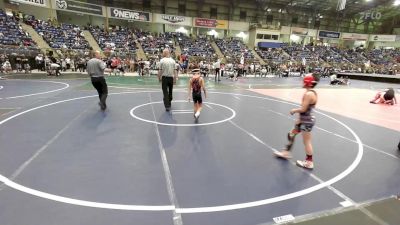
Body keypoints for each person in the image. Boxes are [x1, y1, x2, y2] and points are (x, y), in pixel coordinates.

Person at [275, 73, 320, 169]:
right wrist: (299, 120)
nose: (302, 81)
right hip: (304, 120)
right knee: (291, 134)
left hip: (306, 122)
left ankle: (309, 162)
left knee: (306, 141)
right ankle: (286, 152)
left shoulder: (309, 94)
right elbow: (306, 110)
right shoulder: (312, 92)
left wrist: (294, 110)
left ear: (309, 83)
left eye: (305, 80)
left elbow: (303, 109)